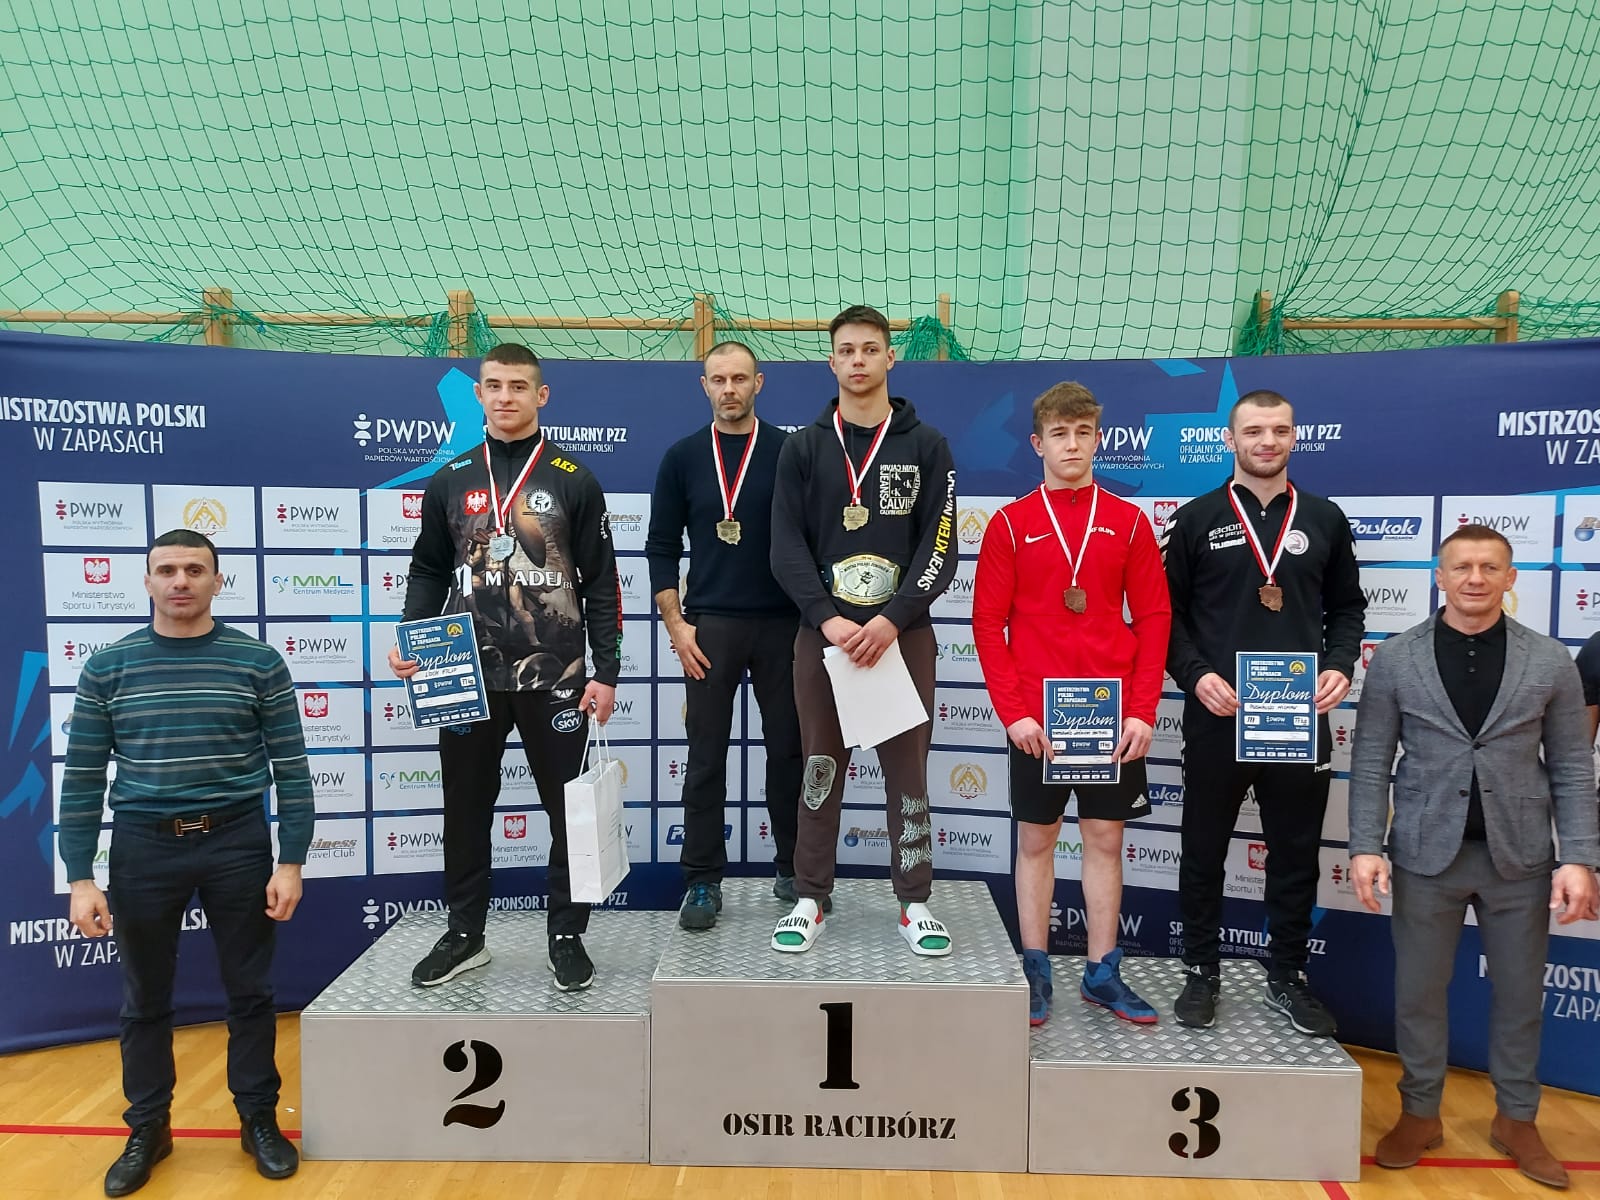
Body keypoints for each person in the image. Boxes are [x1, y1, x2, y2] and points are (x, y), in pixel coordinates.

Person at [59, 529, 311, 1196]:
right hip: (143, 846)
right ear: (147, 582)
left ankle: (258, 1118)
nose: (180, 581)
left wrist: (291, 861)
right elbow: (82, 779)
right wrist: (80, 877)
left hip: (237, 842)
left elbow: (292, 769)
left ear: (217, 581)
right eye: (166, 569)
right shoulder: (108, 668)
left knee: (250, 992)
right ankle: (149, 1127)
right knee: (144, 998)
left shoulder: (258, 662)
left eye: (195, 570)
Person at [1349, 524, 1599, 1188]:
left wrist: (1579, 857)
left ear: (1511, 578)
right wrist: (1365, 846)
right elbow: (1370, 761)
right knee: (1418, 993)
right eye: (1462, 566)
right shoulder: (1397, 658)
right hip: (1424, 855)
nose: (1475, 578)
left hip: (1521, 858)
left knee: (1519, 996)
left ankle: (1516, 1118)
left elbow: (1573, 766)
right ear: (1440, 576)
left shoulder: (1550, 659)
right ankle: (1419, 1113)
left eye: (1490, 567)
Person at [390, 342, 620, 991]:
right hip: (465, 670)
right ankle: (465, 934)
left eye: (519, 386)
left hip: (557, 675)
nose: (505, 396)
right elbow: (427, 567)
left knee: (567, 811)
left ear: (541, 395)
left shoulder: (574, 478)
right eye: (494, 385)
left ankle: (567, 934)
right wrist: (410, 632)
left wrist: (606, 671)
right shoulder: (452, 476)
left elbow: (602, 584)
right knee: (465, 808)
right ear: (479, 394)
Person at [1161, 389, 1365, 1035]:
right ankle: (1201, 969)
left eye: (1279, 430)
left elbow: (1348, 609)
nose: (1267, 441)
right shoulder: (1195, 519)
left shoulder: (1325, 518)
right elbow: (1167, 618)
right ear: (1230, 440)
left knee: (1296, 853)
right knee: (1202, 850)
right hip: (1219, 714)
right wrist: (1196, 676)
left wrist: (1340, 664)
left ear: (1294, 437)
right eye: (1253, 430)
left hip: (1297, 715)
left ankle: (1288, 975)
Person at [973, 382, 1171, 1025]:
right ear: (1038, 443)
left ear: (1098, 438)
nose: (1072, 444)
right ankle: (1035, 968)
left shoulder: (1129, 521)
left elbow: (1155, 617)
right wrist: (1014, 713)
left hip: (1109, 713)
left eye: (1083, 432)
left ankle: (1102, 971)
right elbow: (987, 625)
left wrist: (1141, 710)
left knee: (1105, 839)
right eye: (1059, 433)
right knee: (1037, 840)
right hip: (1038, 717)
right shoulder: (1009, 524)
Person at [768, 304, 958, 955]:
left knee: (908, 774)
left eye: (870, 349)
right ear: (831, 361)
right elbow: (785, 546)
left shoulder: (927, 445)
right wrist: (827, 619)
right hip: (823, 640)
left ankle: (915, 902)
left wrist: (890, 619)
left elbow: (940, 546)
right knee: (820, 766)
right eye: (846, 350)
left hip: (902, 637)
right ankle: (810, 896)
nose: (858, 360)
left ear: (890, 357)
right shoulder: (803, 447)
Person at [645, 341, 806, 929]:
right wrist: (677, 625)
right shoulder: (683, 457)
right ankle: (702, 881)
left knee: (788, 751)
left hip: (784, 625)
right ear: (704, 385)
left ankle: (795, 870)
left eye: (740, 378)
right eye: (719, 379)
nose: (729, 389)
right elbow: (661, 547)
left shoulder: (789, 452)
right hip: (709, 627)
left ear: (759, 383)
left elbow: (813, 541)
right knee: (705, 757)